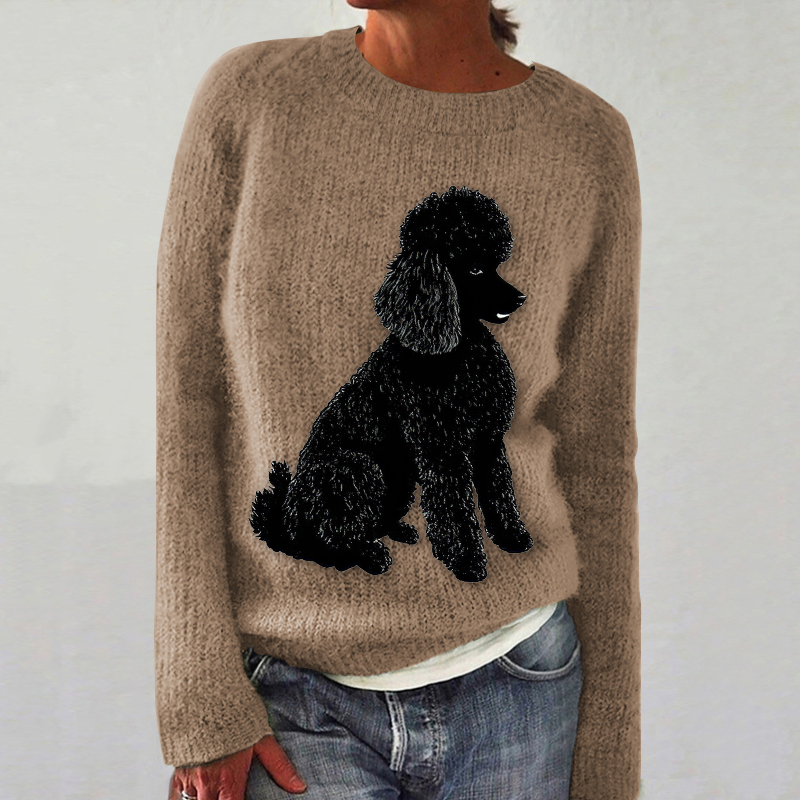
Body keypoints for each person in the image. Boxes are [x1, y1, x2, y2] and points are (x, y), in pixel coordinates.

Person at [156, 1, 642, 799]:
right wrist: (200, 702)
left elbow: (596, 456)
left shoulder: (585, 140)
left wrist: (608, 760)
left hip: (525, 688)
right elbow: (187, 410)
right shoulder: (252, 99)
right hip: (292, 704)